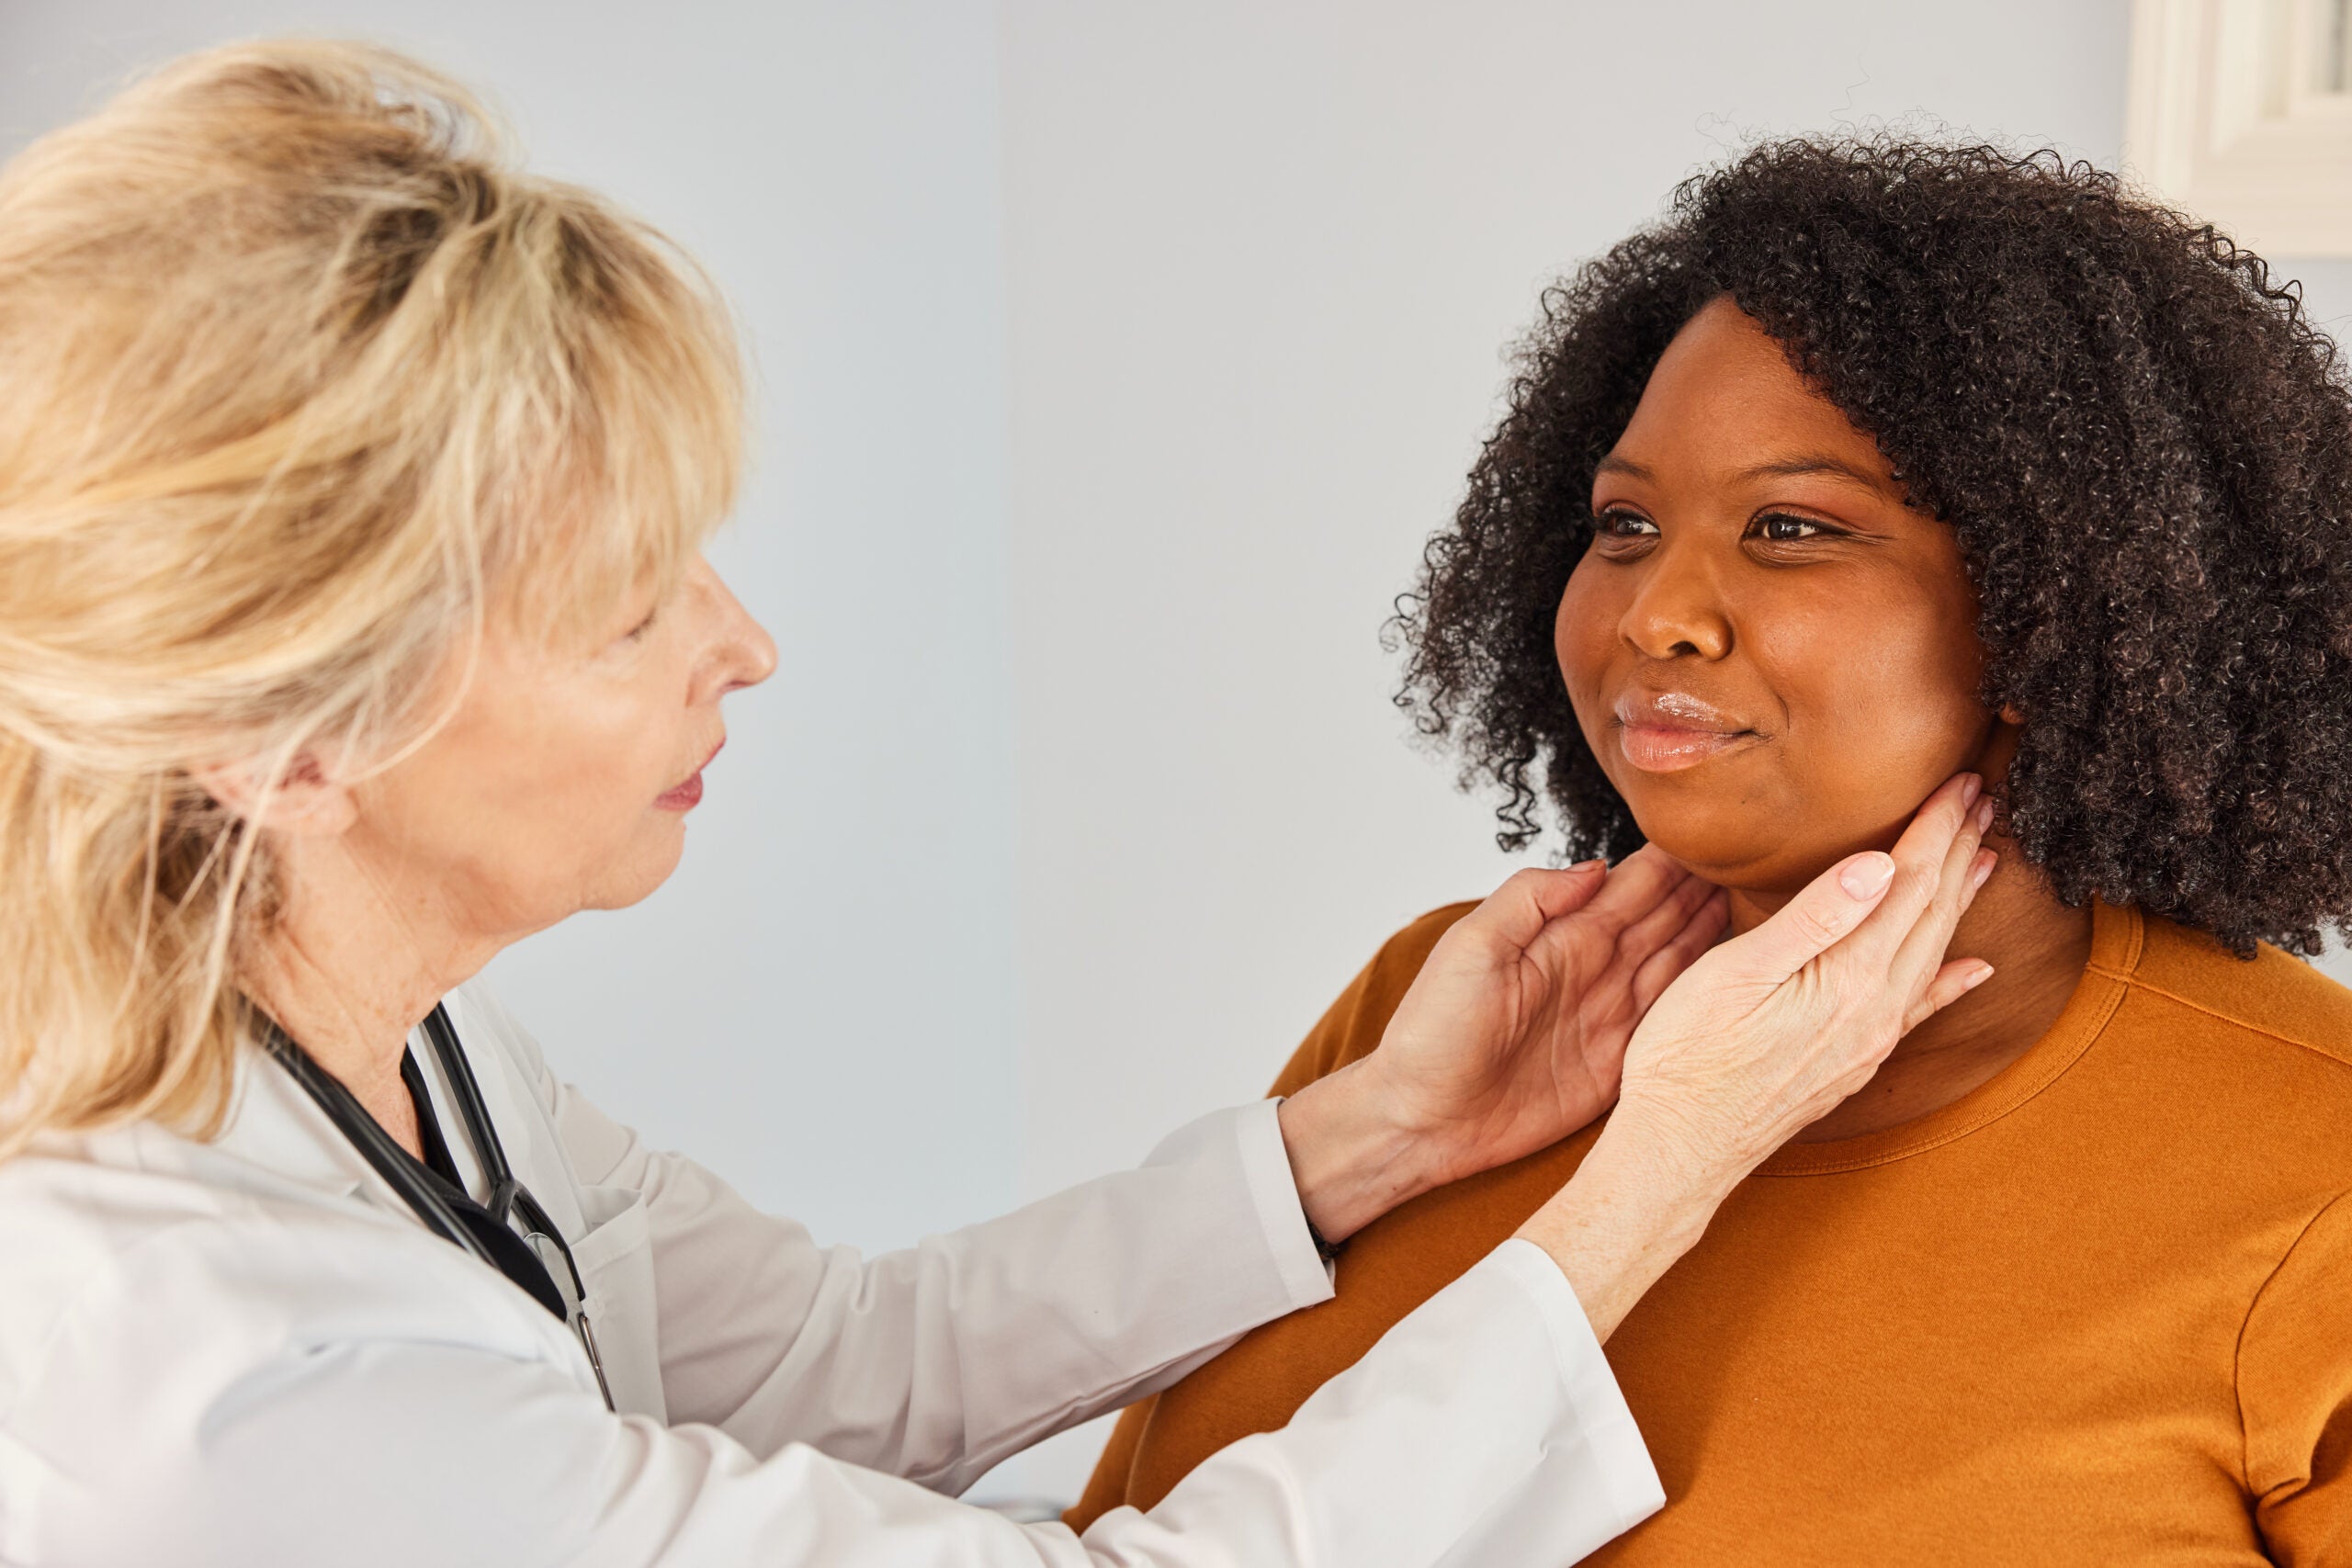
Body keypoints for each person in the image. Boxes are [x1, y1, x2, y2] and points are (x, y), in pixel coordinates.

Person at [0, 46, 2000, 1567]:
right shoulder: (207, 1372)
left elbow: (827, 1364)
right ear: (288, 740)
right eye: (624, 611)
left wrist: (1374, 1133)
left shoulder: (390, 1049)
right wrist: (1659, 1172)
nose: (746, 641)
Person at [1069, 141, 2352, 1562]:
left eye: (1789, 529)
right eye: (1624, 525)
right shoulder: (1439, 1014)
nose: (1656, 615)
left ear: (2066, 611)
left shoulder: (2316, 1152)